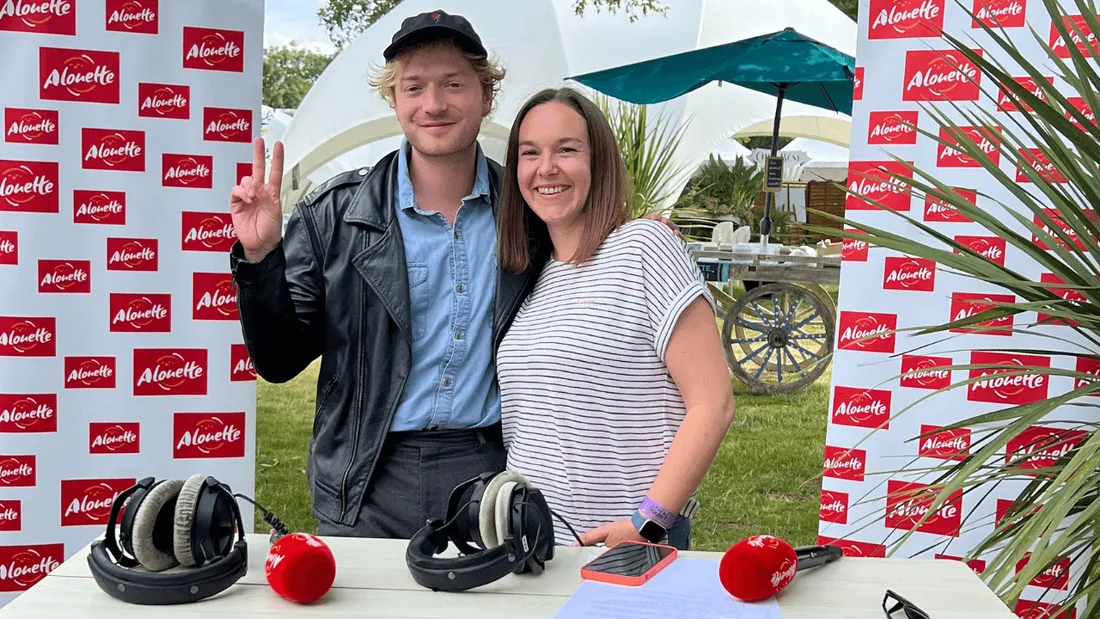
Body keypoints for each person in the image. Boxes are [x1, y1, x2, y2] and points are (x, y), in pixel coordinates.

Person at [227, 10, 680, 539]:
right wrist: (260, 259)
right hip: (367, 480)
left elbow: (587, 252)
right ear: (393, 100)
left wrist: (632, 232)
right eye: (413, 86)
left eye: (454, 84)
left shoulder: (529, 210)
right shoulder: (334, 214)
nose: (434, 104)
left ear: (486, 96)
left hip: (492, 473)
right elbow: (278, 362)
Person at [495, 87, 736, 551]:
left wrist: (649, 520)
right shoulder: (527, 277)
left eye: (567, 149)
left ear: (598, 160)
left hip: (630, 543)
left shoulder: (645, 247)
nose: (547, 167)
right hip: (534, 544)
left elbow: (714, 403)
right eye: (530, 153)